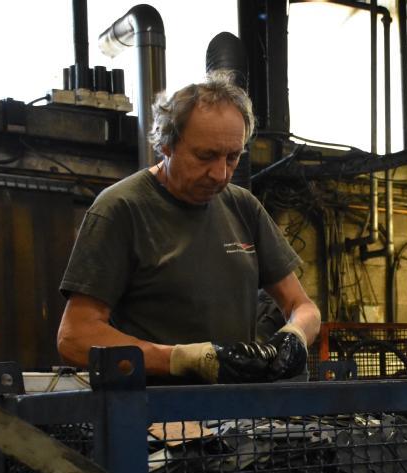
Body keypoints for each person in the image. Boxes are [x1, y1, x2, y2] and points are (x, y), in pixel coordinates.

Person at [57, 72, 320, 383]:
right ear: (166, 145)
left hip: (238, 418)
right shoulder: (120, 209)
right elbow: (75, 338)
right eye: (205, 156)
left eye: (232, 157)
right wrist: (182, 359)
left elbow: (303, 306)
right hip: (152, 420)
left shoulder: (243, 207)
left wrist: (295, 334)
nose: (220, 174)